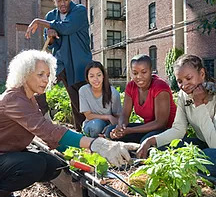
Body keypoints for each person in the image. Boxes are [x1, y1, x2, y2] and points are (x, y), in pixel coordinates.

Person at [0, 50, 139, 197]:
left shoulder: (29, 98)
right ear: (25, 74)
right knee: (34, 165)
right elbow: (47, 129)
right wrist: (97, 144)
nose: (45, 80)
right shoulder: (14, 99)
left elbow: (49, 135)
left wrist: (80, 151)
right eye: (40, 74)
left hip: (9, 152)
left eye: (48, 75)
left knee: (54, 165)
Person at [137, 54, 216, 176]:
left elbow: (214, 144)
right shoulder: (183, 95)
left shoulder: (214, 95)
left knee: (206, 160)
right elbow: (179, 129)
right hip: (202, 142)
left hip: (214, 147)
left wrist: (199, 104)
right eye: (179, 81)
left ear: (202, 74)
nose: (184, 85)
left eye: (189, 78)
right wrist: (151, 140)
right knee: (160, 151)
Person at [25, 0, 92, 131]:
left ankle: (83, 133)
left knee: (79, 103)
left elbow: (67, 28)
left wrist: (38, 21)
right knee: (38, 84)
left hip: (78, 64)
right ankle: (44, 116)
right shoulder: (50, 16)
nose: (63, 4)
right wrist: (51, 36)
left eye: (65, 0)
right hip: (59, 63)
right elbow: (50, 43)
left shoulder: (79, 11)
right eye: (59, 0)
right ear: (54, 1)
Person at [108, 54, 177, 143]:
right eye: (135, 73)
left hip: (168, 130)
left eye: (144, 72)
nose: (139, 77)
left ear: (151, 71)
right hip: (148, 128)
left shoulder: (160, 87)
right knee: (110, 130)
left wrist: (130, 130)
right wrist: (121, 127)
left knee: (146, 140)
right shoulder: (131, 86)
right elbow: (125, 114)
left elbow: (160, 123)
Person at [79, 61, 122, 138]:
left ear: (103, 76)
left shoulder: (113, 93)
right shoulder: (83, 91)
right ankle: (92, 142)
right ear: (87, 78)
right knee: (96, 125)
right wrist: (108, 116)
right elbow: (88, 115)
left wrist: (109, 128)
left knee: (111, 131)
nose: (96, 79)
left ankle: (105, 137)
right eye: (91, 76)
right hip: (91, 124)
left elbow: (117, 117)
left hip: (110, 125)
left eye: (98, 75)